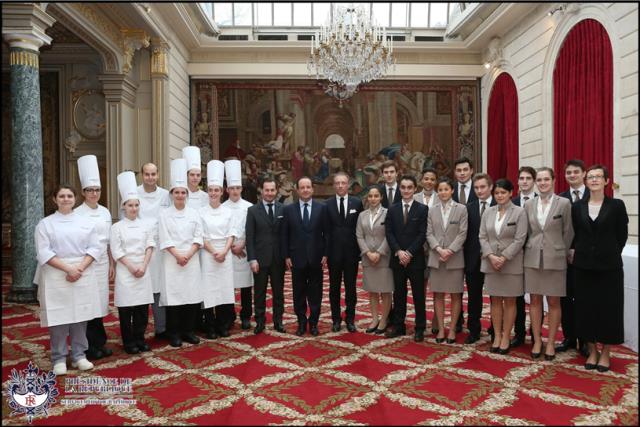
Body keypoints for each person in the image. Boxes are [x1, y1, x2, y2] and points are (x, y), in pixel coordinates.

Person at [35, 185, 101, 375]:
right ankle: (59, 358)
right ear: (55, 199)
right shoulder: (45, 224)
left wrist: (79, 268)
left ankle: (79, 355)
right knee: (58, 318)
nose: (66, 199)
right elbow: (44, 251)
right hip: (57, 273)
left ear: (75, 199)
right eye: (62, 196)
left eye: (69, 195)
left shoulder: (85, 222)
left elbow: (94, 247)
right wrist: (68, 268)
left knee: (81, 316)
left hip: (82, 272)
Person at [573, 164, 628, 373]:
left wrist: (608, 252)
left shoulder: (616, 206)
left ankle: (605, 351)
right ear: (586, 182)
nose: (594, 180)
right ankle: (591, 350)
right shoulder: (577, 207)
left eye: (598, 177)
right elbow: (576, 234)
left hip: (609, 267)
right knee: (586, 308)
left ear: (606, 181)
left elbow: (621, 236)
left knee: (608, 309)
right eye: (591, 177)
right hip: (583, 266)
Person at [523, 167, 574, 361]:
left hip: (555, 259)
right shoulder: (529, 204)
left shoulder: (564, 203)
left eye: (546, 179)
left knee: (554, 302)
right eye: (540, 180)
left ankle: (551, 342)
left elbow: (568, 231)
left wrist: (559, 250)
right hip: (532, 259)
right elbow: (527, 231)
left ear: (553, 181)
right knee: (535, 301)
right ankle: (537, 340)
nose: (543, 183)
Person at [158, 158, 203, 348]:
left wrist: (189, 254)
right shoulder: (164, 214)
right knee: (175, 299)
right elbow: (164, 237)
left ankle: (189, 331)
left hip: (191, 260)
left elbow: (199, 236)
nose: (180, 195)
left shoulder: (194, 213)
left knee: (191, 297)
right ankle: (174, 333)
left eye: (183, 192)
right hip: (172, 260)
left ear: (187, 194)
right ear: (171, 194)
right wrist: (178, 255)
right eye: (176, 192)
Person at [479, 179, 527, 355]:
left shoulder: (520, 212)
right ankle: (497, 336)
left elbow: (520, 239)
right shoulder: (488, 212)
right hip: (491, 263)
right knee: (495, 301)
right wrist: (491, 256)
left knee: (511, 301)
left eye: (503, 193)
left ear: (511, 193)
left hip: (511, 264)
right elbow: (482, 237)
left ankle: (507, 336)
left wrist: (504, 257)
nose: (499, 196)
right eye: (497, 193)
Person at [74, 155, 114, 361]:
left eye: (97, 190)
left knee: (99, 304)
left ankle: (99, 342)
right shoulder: (76, 214)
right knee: (87, 304)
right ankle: (88, 346)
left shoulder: (105, 212)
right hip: (86, 264)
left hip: (102, 263)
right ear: (83, 192)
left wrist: (111, 263)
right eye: (90, 190)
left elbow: (107, 241)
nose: (94, 194)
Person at [110, 172, 155, 354]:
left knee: (142, 310)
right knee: (127, 309)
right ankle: (128, 342)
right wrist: (131, 267)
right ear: (124, 207)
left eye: (136, 205)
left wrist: (143, 266)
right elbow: (117, 251)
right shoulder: (116, 228)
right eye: (130, 205)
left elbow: (150, 246)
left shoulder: (146, 225)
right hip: (125, 271)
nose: (134, 208)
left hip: (143, 269)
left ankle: (140, 338)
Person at [281, 176, 329, 337]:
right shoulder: (288, 210)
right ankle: (301, 322)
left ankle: (314, 323)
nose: (306, 190)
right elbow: (285, 235)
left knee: (316, 293)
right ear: (297, 190)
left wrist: (325, 253)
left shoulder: (321, 208)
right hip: (297, 258)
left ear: (312, 189)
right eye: (302, 187)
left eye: (308, 187)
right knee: (298, 293)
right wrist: (286, 256)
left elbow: (326, 234)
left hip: (316, 258)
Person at [384, 175, 428, 342]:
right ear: (400, 189)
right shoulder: (392, 209)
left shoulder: (422, 209)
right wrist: (398, 252)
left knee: (418, 295)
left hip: (415, 259)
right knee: (399, 295)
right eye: (403, 187)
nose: (407, 190)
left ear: (415, 188)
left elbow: (422, 234)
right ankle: (399, 325)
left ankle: (420, 328)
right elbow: (389, 233)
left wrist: (408, 253)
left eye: (410, 187)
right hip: (397, 259)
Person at [426, 177, 468, 344]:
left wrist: (450, 250)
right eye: (440, 190)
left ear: (452, 191)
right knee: (438, 295)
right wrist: (438, 249)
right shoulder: (432, 210)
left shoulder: (461, 209)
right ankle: (441, 329)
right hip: (436, 258)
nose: (443, 192)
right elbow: (428, 233)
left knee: (455, 295)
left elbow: (462, 233)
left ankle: (452, 329)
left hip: (455, 258)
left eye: (446, 189)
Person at [556, 159, 590, 357]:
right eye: (568, 173)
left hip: (586, 256)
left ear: (584, 173)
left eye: (576, 172)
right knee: (566, 298)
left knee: (584, 298)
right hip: (564, 256)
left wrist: (578, 248)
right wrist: (567, 248)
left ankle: (585, 340)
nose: (572, 176)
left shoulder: (593, 196)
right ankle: (569, 336)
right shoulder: (561, 199)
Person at [199, 160, 235, 339]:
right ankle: (210, 326)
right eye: (211, 190)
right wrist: (214, 252)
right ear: (208, 192)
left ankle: (223, 325)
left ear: (222, 192)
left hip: (225, 254)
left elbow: (231, 234)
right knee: (209, 290)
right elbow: (201, 236)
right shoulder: (201, 212)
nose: (213, 193)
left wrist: (224, 251)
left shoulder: (228, 211)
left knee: (224, 289)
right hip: (208, 254)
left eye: (217, 190)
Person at [246, 178, 286, 334]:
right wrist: (252, 258)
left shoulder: (283, 209)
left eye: (272, 190)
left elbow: (285, 235)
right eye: (267, 190)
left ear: (276, 191)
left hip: (278, 259)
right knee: (260, 293)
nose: (269, 193)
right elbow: (250, 237)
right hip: (260, 260)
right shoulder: (253, 211)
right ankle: (260, 322)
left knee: (278, 293)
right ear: (261, 191)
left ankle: (278, 321)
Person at [136, 163, 171, 341]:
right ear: (142, 175)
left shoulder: (166, 195)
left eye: (153, 174)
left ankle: (161, 328)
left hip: (160, 246)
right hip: (138, 248)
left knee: (159, 287)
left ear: (158, 175)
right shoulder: (133, 193)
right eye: (147, 174)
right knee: (141, 288)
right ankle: (139, 331)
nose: (150, 177)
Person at [326, 172, 363, 333]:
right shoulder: (326, 204)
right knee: (334, 289)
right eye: (337, 183)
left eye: (343, 183)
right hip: (333, 254)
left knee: (350, 288)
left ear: (348, 185)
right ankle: (335, 319)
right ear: (334, 185)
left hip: (351, 254)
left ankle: (350, 319)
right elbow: (325, 231)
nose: (340, 186)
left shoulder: (357, 203)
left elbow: (360, 229)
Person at [463, 173, 496, 344]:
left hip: (494, 259)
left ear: (490, 187)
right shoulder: (468, 207)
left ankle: (495, 328)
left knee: (495, 297)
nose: (479, 190)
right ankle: (474, 329)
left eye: (483, 187)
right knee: (474, 297)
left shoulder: (500, 205)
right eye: (476, 188)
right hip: (473, 260)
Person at [356, 186, 394, 334]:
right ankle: (374, 319)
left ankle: (384, 319)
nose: (373, 199)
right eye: (370, 196)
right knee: (372, 291)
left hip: (383, 258)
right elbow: (359, 235)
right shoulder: (362, 215)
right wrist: (367, 253)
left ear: (381, 197)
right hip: (368, 259)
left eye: (376, 196)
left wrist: (379, 252)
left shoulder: (388, 213)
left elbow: (389, 234)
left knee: (385, 291)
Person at [222, 159, 255, 330]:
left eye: (237, 188)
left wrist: (242, 244)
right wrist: (232, 248)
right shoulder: (221, 207)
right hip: (228, 252)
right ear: (227, 190)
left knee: (246, 287)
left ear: (242, 189)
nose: (235, 191)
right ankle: (229, 316)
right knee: (228, 286)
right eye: (232, 188)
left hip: (245, 251)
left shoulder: (250, 207)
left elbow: (252, 230)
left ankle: (246, 316)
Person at [511, 165, 539, 348]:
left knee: (537, 296)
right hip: (514, 257)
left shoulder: (543, 201)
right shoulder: (511, 202)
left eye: (528, 178)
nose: (524, 182)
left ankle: (536, 335)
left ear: (534, 181)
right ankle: (519, 333)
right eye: (521, 178)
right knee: (517, 296)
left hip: (536, 255)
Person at [451, 156, 476, 332]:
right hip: (453, 248)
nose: (462, 173)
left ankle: (474, 326)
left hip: (474, 247)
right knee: (455, 288)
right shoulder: (448, 191)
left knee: (475, 290)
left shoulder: (480, 188)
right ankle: (457, 321)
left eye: (465, 170)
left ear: (471, 170)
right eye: (459, 170)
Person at [414, 167, 439, 333]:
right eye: (426, 178)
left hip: (437, 250)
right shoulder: (414, 198)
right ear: (421, 180)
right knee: (419, 288)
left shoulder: (443, 196)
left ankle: (437, 320)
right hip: (418, 251)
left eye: (432, 179)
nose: (429, 181)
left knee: (437, 286)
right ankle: (420, 320)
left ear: (435, 182)